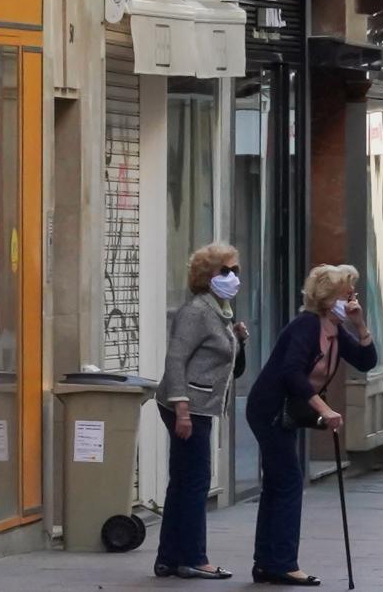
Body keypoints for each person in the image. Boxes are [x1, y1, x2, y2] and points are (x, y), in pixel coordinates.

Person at [246, 264, 378, 586]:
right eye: (346, 296)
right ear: (327, 298)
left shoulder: (335, 330)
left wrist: (361, 326)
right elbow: (291, 373)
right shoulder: (306, 326)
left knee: (279, 484)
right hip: (270, 409)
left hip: (287, 411)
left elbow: (366, 361)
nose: (351, 302)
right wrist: (324, 409)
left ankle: (268, 562)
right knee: (289, 481)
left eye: (353, 296)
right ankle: (282, 563)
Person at [153, 243, 249, 580]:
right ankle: (193, 557)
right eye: (225, 271)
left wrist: (239, 340)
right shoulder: (197, 311)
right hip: (188, 406)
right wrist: (181, 408)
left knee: (183, 482)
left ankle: (169, 558)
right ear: (206, 277)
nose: (233, 277)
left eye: (235, 270)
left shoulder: (220, 310)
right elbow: (176, 358)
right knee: (195, 482)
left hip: (197, 405)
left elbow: (224, 364)